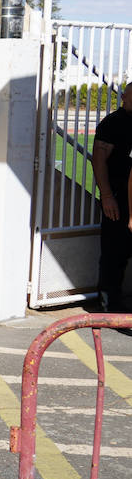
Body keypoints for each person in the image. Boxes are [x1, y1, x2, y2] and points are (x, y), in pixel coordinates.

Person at [95, 83, 132, 311]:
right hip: (117, 199)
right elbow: (98, 159)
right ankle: (108, 305)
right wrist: (107, 195)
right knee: (114, 254)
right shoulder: (113, 123)